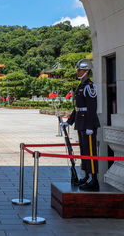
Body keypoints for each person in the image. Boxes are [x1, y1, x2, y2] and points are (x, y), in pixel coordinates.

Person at [62, 58, 100, 191]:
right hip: (81, 123)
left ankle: (94, 180)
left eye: (80, 70)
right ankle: (87, 176)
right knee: (84, 151)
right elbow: (78, 108)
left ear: (86, 71)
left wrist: (90, 126)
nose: (77, 72)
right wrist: (69, 122)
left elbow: (91, 107)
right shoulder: (81, 86)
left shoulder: (90, 87)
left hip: (88, 124)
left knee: (90, 151)